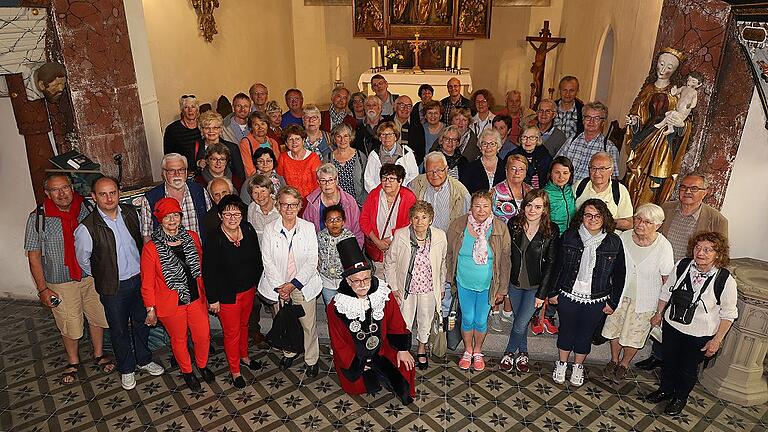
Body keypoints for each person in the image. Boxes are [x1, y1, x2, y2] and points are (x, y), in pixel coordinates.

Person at [75, 176, 165, 390]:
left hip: (140, 281)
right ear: (94, 197)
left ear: (119, 193)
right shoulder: (87, 228)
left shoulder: (131, 213)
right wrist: (104, 276)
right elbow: (83, 260)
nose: (109, 198)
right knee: (119, 329)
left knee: (142, 323)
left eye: (113, 192)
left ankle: (144, 359)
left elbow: (142, 242)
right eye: (103, 194)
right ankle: (126, 368)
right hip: (114, 288)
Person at [636, 172, 729, 371]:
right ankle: (657, 354)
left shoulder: (716, 219)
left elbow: (719, 252)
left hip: (692, 277)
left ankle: (672, 363)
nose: (687, 191)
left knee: (679, 316)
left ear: (705, 192)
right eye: (684, 187)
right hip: (661, 273)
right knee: (659, 314)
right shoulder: (667, 209)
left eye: (694, 188)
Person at [24, 174, 111, 385]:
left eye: (65, 187)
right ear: (47, 193)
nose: (62, 193)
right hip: (60, 281)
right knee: (70, 323)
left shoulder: (86, 209)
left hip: (90, 276)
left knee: (97, 316)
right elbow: (34, 256)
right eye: (55, 190)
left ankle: (98, 354)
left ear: (72, 188)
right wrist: (42, 289)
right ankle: (73, 360)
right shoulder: (38, 218)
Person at [645, 231, 737, 415]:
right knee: (668, 361)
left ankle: (679, 398)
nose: (700, 253)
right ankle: (665, 390)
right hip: (673, 326)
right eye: (698, 247)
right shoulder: (682, 265)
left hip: (700, 334)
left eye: (708, 250)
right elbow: (666, 291)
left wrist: (716, 340)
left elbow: (728, 314)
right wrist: (659, 313)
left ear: (718, 254)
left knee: (687, 369)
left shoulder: (725, 280)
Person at [327, 237, 416, 405]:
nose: (363, 285)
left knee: (405, 368)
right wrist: (357, 364)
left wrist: (402, 349)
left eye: (366, 278)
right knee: (356, 386)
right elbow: (338, 342)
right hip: (356, 355)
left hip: (383, 349)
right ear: (347, 280)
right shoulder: (336, 306)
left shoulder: (383, 294)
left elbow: (396, 322)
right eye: (357, 280)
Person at [547, 199, 625, 387]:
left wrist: (613, 302)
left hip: (597, 298)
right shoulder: (570, 236)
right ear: (581, 217)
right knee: (566, 330)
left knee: (585, 334)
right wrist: (553, 291)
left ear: (604, 217)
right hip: (568, 294)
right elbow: (557, 266)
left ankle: (577, 366)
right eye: (588, 215)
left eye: (597, 215)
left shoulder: (614, 241)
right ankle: (562, 363)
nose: (593, 219)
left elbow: (620, 273)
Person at [140, 198, 213, 391]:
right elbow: (147, 282)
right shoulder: (151, 248)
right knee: (179, 340)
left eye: (175, 215)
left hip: (196, 298)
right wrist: (150, 309)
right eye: (166, 217)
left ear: (181, 217)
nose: (171, 220)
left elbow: (202, 265)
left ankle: (202, 365)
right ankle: (188, 372)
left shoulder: (192, 237)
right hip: (171, 304)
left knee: (203, 336)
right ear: (160, 220)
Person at [601, 203, 674, 381]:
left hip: (645, 302)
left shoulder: (663, 246)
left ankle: (625, 364)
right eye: (638, 219)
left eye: (647, 222)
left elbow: (667, 281)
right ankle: (613, 359)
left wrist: (660, 311)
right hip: (619, 296)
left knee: (634, 336)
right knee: (615, 330)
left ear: (657, 225)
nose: (641, 224)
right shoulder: (623, 238)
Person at [258, 186, 321, 376]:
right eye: (284, 204)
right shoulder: (270, 229)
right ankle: (289, 351)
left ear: (299, 206)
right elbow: (267, 260)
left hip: (303, 284)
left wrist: (293, 284)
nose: (288, 209)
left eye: (293, 205)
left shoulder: (308, 228)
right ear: (278, 205)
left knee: (308, 324)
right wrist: (281, 287)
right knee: (284, 321)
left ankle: (312, 359)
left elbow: (312, 260)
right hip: (278, 286)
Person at [203, 195, 264, 389]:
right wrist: (213, 299)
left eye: (236, 213)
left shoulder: (248, 229)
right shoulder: (214, 238)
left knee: (245, 326)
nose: (232, 217)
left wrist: (257, 286)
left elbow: (257, 259)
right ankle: (235, 370)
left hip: (248, 290)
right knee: (232, 333)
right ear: (220, 215)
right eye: (227, 214)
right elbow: (208, 271)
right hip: (227, 296)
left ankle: (244, 356)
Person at [446, 191, 511, 371]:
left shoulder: (499, 228)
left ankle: (477, 351)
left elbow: (505, 260)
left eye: (485, 206)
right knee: (467, 318)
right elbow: (449, 254)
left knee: (481, 320)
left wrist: (502, 289)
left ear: (491, 208)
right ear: (471, 207)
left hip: (488, 285)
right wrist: (448, 277)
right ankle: (467, 350)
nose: (481, 210)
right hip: (463, 281)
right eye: (477, 206)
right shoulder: (458, 225)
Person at [498, 190, 559, 373]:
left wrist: (543, 294)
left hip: (535, 287)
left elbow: (551, 265)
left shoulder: (551, 230)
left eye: (538, 206)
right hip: (515, 284)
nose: (532, 210)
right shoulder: (514, 224)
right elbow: (506, 256)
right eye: (529, 205)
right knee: (520, 321)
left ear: (544, 209)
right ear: (524, 206)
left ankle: (509, 353)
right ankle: (523, 353)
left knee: (520, 322)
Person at [624, 48, 693, 207]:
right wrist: (634, 122)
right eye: (661, 64)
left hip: (662, 146)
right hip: (644, 140)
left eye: (669, 67)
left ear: (675, 71)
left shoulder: (676, 93)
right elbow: (638, 113)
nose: (663, 70)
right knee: (634, 180)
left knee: (652, 184)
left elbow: (685, 119)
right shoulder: (648, 89)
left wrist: (682, 125)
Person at [385, 201, 447, 370]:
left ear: (431, 220)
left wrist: (441, 286)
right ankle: (402, 350)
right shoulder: (401, 235)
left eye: (424, 217)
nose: (420, 221)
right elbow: (389, 262)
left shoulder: (440, 236)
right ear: (411, 219)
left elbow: (442, 264)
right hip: (406, 288)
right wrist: (393, 287)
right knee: (404, 321)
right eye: (416, 217)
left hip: (428, 288)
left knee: (425, 320)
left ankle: (421, 349)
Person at [140, 153, 211, 243]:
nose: (177, 174)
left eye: (181, 170)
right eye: (171, 171)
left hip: (199, 253)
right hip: (167, 255)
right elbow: (147, 236)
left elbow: (210, 225)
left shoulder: (200, 191)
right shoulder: (150, 199)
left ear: (186, 173)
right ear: (164, 174)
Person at [360, 164, 417, 274]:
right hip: (378, 250)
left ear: (400, 181)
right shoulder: (374, 194)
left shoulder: (409, 198)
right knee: (381, 282)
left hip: (399, 249)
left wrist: (391, 239)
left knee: (398, 281)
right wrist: (377, 242)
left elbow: (411, 224)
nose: (387, 182)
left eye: (392, 179)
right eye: (384, 178)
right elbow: (364, 219)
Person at [555, 101, 619, 181]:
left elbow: (612, 179)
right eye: (588, 117)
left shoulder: (609, 148)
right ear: (583, 120)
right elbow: (556, 165)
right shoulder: (571, 141)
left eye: (596, 118)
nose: (591, 122)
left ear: (603, 123)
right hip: (566, 190)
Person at [303, 163, 364, 247]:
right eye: (323, 180)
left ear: (336, 180)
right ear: (318, 182)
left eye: (331, 179)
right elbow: (307, 231)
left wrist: (355, 253)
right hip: (322, 250)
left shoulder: (349, 201)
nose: (327, 184)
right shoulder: (312, 203)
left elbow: (358, 230)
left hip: (347, 249)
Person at [408, 151, 470, 232]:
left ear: (447, 169)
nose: (435, 175)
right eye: (430, 171)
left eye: (439, 170)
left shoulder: (460, 193)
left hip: (447, 240)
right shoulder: (416, 184)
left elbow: (468, 222)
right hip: (420, 238)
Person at [574, 152, 633, 230]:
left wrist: (603, 222)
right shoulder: (580, 186)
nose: (597, 173)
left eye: (602, 169)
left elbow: (629, 223)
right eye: (593, 168)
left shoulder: (619, 190)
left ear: (611, 171)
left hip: (608, 237)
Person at [363, 121, 419, 192]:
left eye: (390, 134)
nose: (387, 137)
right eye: (383, 134)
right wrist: (379, 193)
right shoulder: (374, 155)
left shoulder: (406, 152)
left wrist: (401, 190)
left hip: (403, 193)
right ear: (380, 138)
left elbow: (414, 175)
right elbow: (368, 179)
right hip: (381, 195)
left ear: (396, 137)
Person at [317, 205, 356, 306]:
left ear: (343, 221)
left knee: (344, 306)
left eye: (338, 219)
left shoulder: (349, 237)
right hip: (326, 280)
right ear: (325, 223)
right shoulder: (320, 236)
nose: (334, 223)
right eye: (330, 220)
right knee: (330, 305)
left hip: (344, 280)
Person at [325, 123, 368, 207]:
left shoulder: (360, 156)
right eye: (339, 136)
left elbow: (366, 181)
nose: (342, 140)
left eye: (346, 136)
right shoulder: (328, 158)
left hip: (358, 204)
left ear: (350, 137)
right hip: (336, 204)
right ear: (334, 138)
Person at [197, 111, 246, 182]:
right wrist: (198, 164)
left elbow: (240, 175)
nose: (211, 131)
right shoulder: (195, 147)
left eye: (215, 128)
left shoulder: (232, 148)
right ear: (201, 130)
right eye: (207, 128)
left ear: (221, 129)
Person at [277, 124, 322, 198]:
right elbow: (280, 180)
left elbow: (318, 183)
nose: (294, 142)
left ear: (303, 141)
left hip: (312, 200)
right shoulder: (283, 158)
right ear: (286, 143)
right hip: (291, 200)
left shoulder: (313, 158)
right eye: (290, 139)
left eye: (297, 139)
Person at [459, 129, 506, 194]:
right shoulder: (470, 168)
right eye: (484, 144)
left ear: (498, 147)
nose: (488, 147)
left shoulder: (506, 167)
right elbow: (464, 192)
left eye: (492, 144)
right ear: (480, 147)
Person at [492, 154, 532, 223]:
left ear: (526, 173)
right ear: (506, 171)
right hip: (502, 232)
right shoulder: (495, 192)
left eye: (521, 169)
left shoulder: (531, 190)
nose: (517, 173)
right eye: (513, 169)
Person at [239, 111, 281, 178]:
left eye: (263, 124)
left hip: (274, 179)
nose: (260, 127)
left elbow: (278, 166)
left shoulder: (273, 143)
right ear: (251, 127)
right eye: (256, 125)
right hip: (256, 181)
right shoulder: (246, 143)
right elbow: (249, 170)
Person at [163, 95, 202, 166]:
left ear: (197, 109)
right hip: (183, 169)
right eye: (186, 107)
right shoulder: (172, 130)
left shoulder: (203, 126)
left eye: (193, 107)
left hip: (203, 169)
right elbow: (168, 156)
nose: (190, 110)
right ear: (182, 110)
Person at [543, 156, 576, 235]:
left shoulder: (571, 190)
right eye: (557, 172)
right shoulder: (544, 194)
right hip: (553, 238)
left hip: (570, 236)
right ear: (550, 173)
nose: (561, 177)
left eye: (565, 173)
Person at [393, 95, 425, 166]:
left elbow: (420, 152)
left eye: (408, 106)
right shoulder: (386, 123)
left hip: (410, 167)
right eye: (402, 105)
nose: (405, 109)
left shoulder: (417, 127)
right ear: (395, 107)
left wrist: (412, 165)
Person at [246, 174, 280, 238]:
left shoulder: (281, 208)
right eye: (255, 193)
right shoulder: (252, 207)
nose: (260, 196)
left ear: (270, 190)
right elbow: (250, 232)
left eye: (263, 191)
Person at [201, 176, 235, 241]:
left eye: (224, 192)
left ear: (231, 192)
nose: (221, 197)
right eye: (217, 194)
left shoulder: (245, 210)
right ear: (212, 198)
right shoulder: (209, 219)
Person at [553, 76, 584, 141]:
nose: (567, 94)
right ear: (559, 91)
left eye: (571, 90)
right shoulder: (551, 108)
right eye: (564, 90)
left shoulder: (583, 111)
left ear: (577, 91)